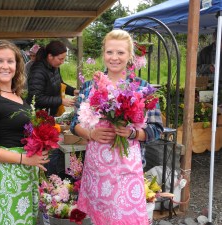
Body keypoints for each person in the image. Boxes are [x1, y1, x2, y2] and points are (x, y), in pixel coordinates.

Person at [70, 30, 164, 225]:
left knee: (126, 217)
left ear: (130, 56)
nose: (114, 58)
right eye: (109, 52)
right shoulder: (89, 86)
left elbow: (156, 129)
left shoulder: (142, 88)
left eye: (120, 53)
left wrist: (132, 132)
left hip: (126, 168)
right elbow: (74, 124)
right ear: (103, 54)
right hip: (97, 169)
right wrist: (91, 133)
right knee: (100, 218)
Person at [0, 40, 50, 225]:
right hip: (6, 172)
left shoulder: (18, 96)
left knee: (25, 218)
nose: (5, 66)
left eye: (10, 61)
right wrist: (25, 159)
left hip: (24, 169)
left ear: (17, 65)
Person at [26, 40, 79, 178]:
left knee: (51, 147)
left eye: (64, 59)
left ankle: (50, 177)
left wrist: (73, 91)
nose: (62, 61)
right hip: (38, 118)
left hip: (48, 115)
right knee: (44, 150)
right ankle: (45, 179)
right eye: (60, 59)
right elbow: (36, 98)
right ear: (50, 56)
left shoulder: (54, 67)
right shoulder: (38, 70)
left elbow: (59, 83)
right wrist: (61, 100)